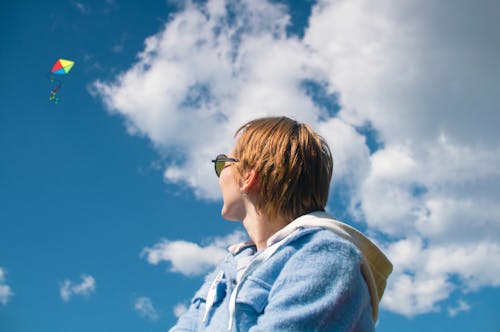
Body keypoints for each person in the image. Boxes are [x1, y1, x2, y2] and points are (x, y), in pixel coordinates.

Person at [170, 116, 392, 332]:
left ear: (248, 176)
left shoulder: (325, 255)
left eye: (223, 165)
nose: (219, 176)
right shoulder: (228, 268)